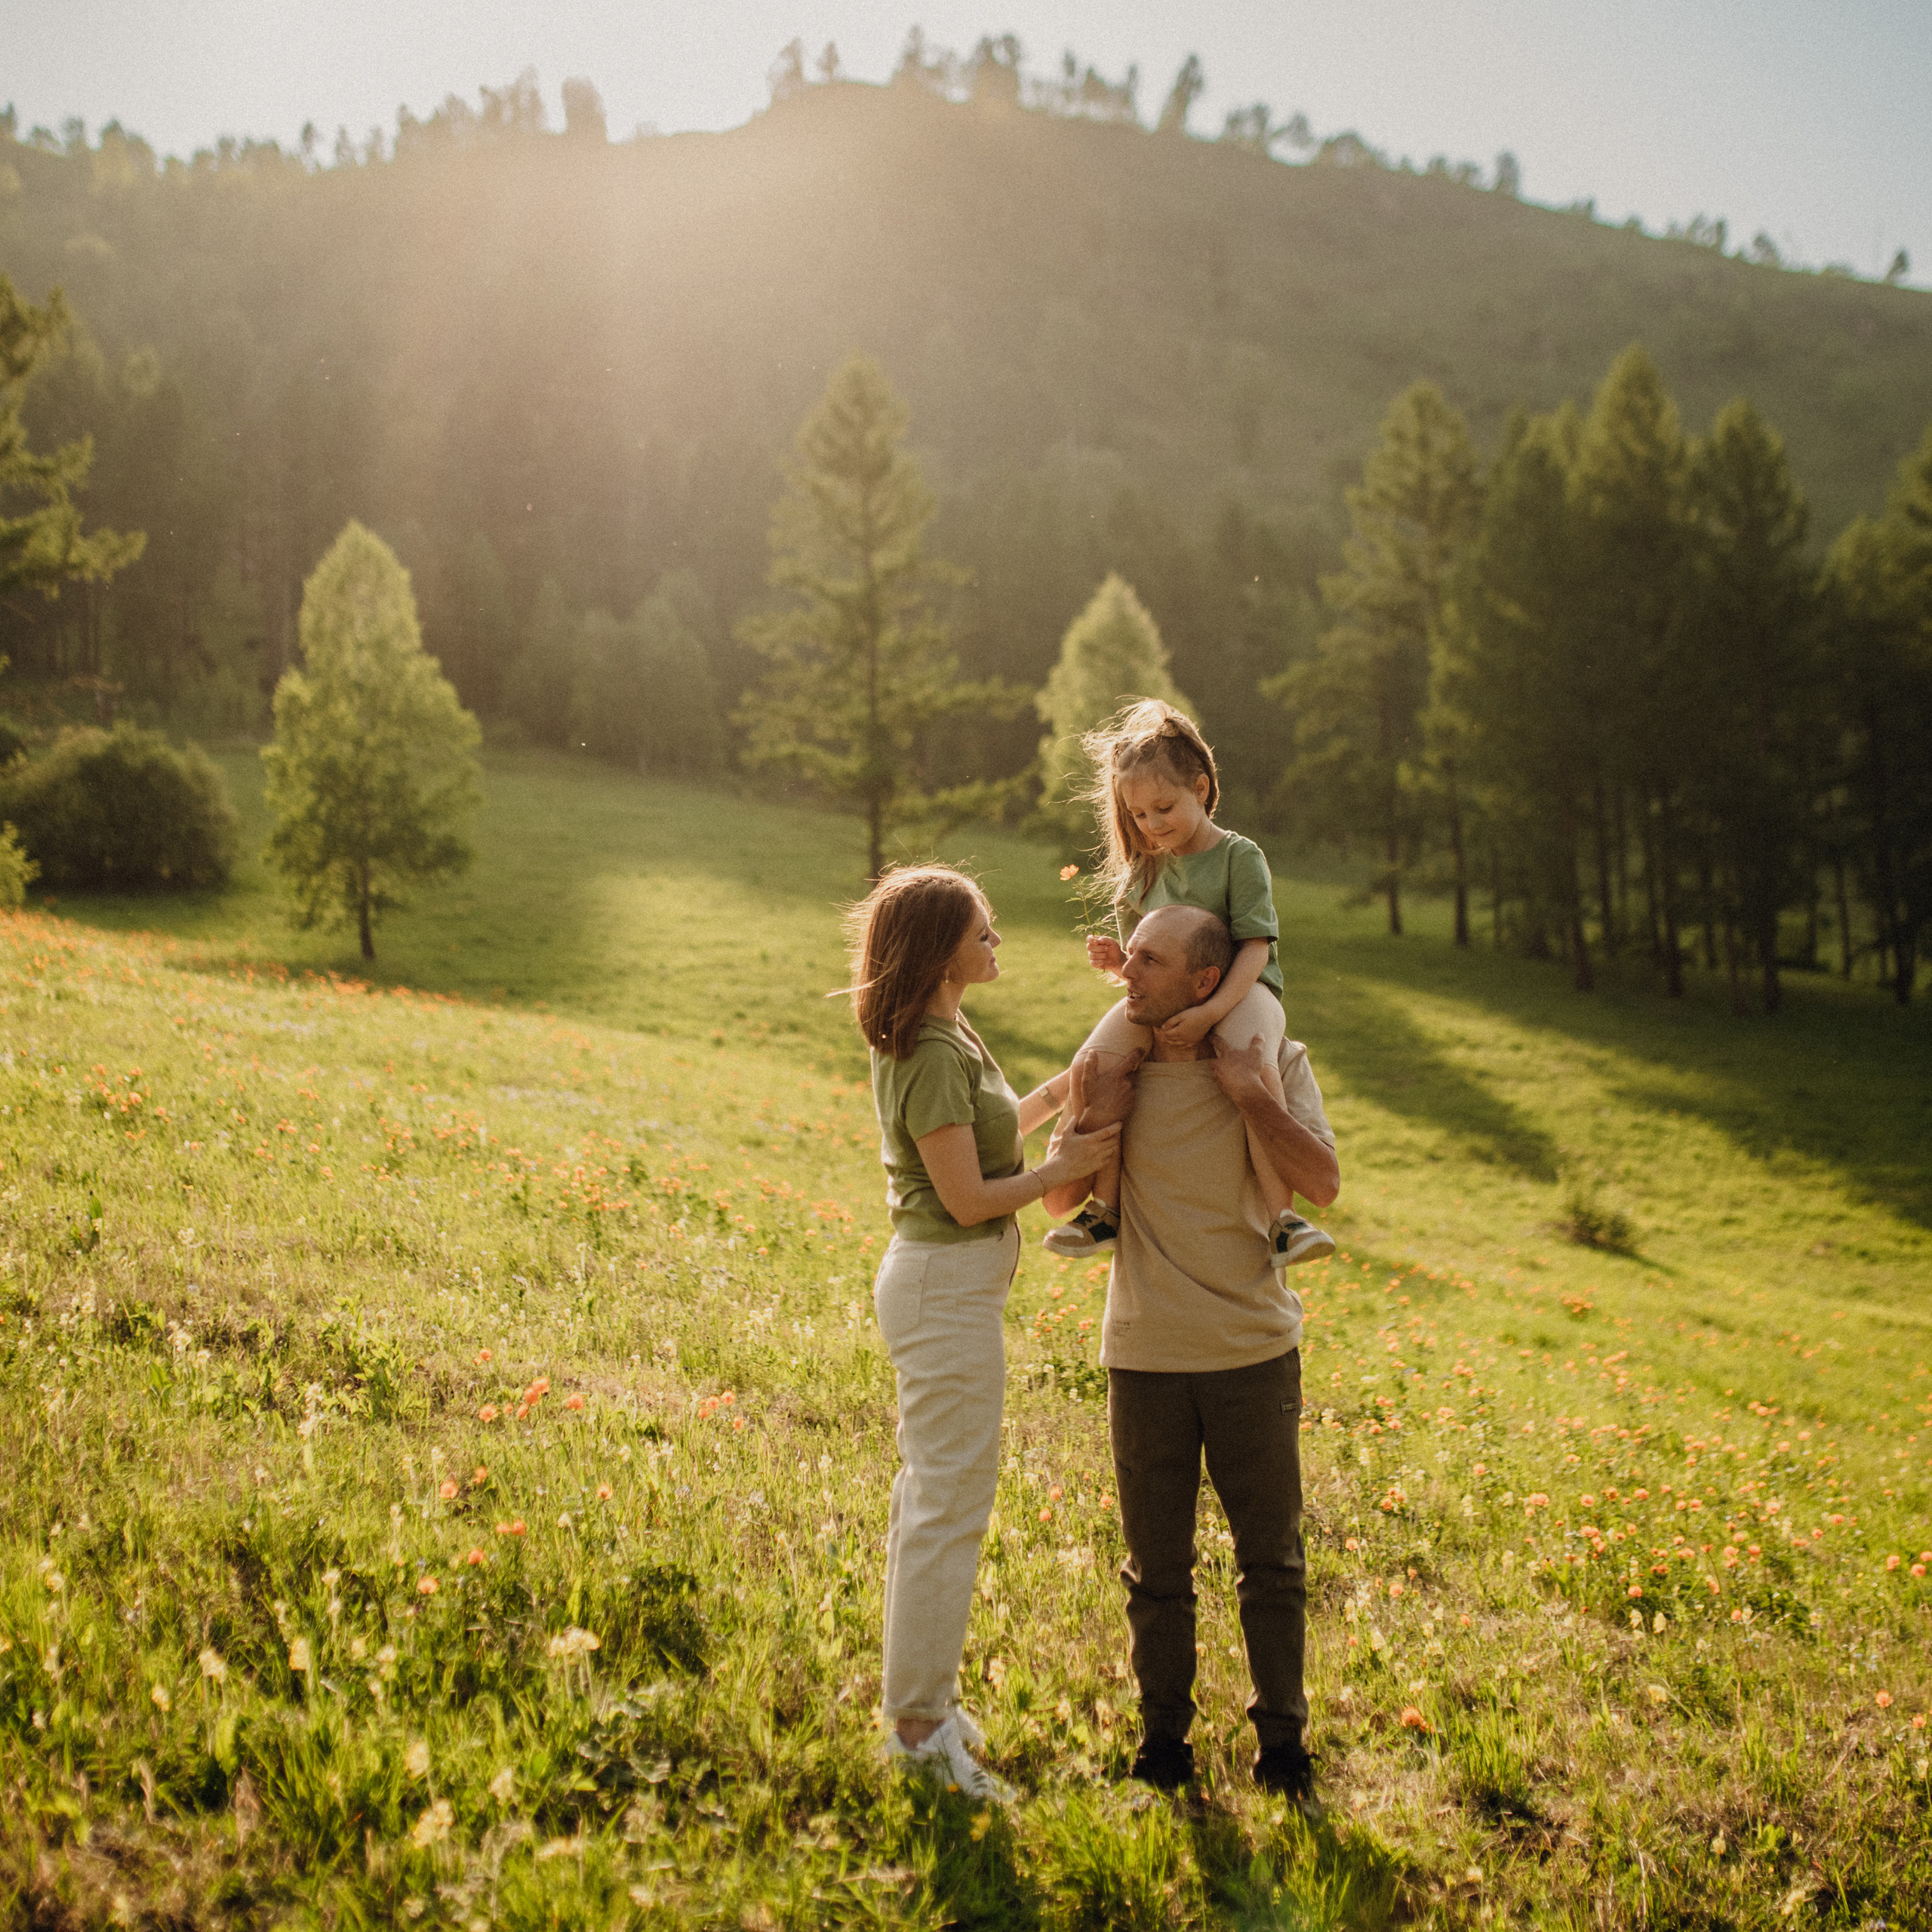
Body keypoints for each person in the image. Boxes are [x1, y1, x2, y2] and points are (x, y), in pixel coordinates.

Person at [1043, 902, 1341, 1798]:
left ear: (1205, 982)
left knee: (1272, 1562)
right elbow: (1059, 1204)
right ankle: (1161, 1743)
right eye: (1128, 956)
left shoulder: (1271, 1060)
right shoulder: (1116, 1062)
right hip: (1143, 1355)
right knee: (1156, 1569)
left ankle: (1282, 1746)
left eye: (1149, 961)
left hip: (1252, 1351)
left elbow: (1322, 1182)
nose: (1125, 973)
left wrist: (1253, 1098)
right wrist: (1094, 1116)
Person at [846, 863, 1120, 1802]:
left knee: (930, 1497)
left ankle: (917, 1701)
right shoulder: (926, 1047)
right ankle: (920, 1731)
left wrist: (1060, 1092)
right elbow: (966, 1199)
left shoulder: (947, 1031)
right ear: (938, 948)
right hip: (942, 1290)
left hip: (949, 1291)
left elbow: (986, 1129)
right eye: (983, 931)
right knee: (945, 1507)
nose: (997, 941)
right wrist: (1065, 1167)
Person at [1044, 700, 1334, 1277]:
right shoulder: (1146, 870)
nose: (1152, 825)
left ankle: (1284, 1218)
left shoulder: (1238, 856)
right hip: (1173, 993)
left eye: (1164, 807)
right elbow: (1140, 968)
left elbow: (1255, 945)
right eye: (1139, 815)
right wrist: (1116, 961)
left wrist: (1215, 1011)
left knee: (1250, 1059)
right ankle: (1103, 1208)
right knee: (1099, 1063)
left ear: (1201, 788)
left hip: (1244, 988)